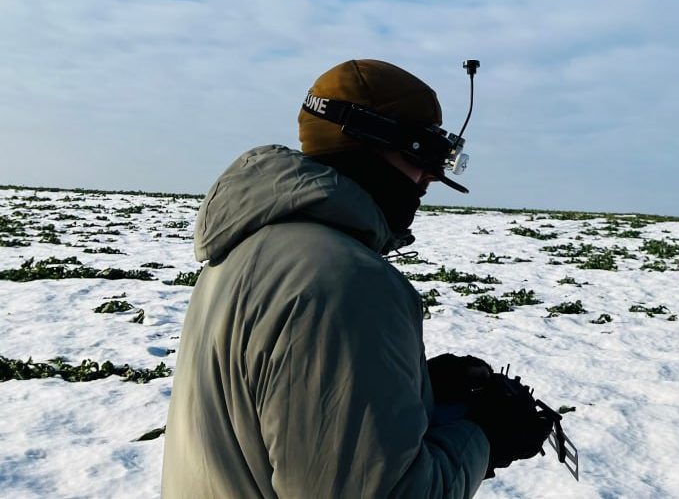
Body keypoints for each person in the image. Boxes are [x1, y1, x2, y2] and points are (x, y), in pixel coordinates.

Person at [162, 59, 550, 498]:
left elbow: (276, 408)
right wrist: (485, 436)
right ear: (368, 144)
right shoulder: (345, 281)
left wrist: (414, 391)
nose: (430, 176)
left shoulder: (246, 249)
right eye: (421, 151)